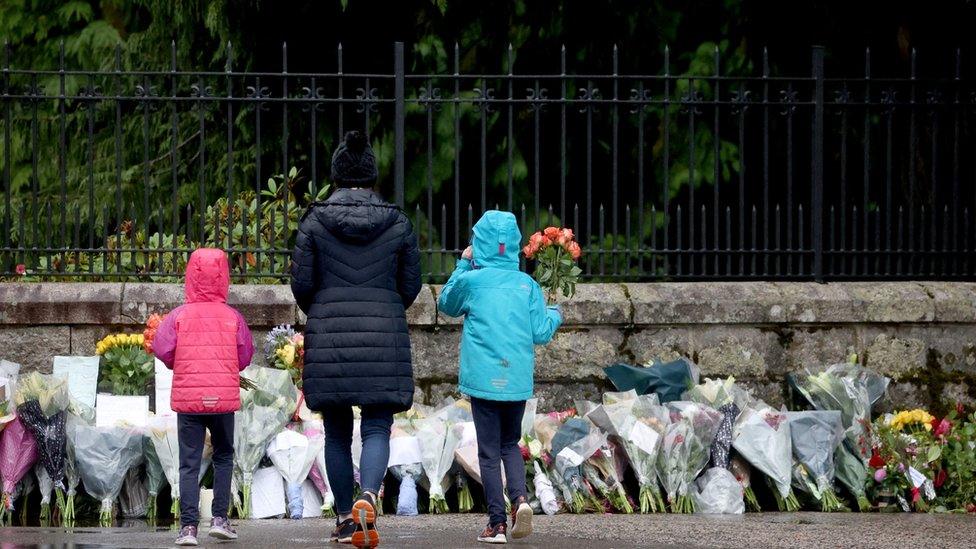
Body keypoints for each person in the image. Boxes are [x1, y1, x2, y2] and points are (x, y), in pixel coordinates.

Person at [291, 130, 422, 548]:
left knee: (335, 430)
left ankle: (347, 515)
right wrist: (384, 305)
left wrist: (324, 308)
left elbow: (302, 284)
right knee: (378, 426)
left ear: (336, 175)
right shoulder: (397, 222)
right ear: (371, 175)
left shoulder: (314, 221)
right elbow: (411, 285)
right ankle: (370, 495)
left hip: (331, 335)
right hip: (384, 336)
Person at [438, 210, 562, 544]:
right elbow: (540, 333)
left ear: (479, 243)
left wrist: (464, 263)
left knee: (489, 452)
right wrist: (556, 314)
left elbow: (446, 302)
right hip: (517, 381)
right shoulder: (528, 285)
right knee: (511, 444)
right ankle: (520, 499)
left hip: (483, 380)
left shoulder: (472, 281)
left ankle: (496, 524)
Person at [153, 248, 254, 547]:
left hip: (189, 399)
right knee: (223, 455)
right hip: (222, 398)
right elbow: (245, 355)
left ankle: (188, 528)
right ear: (224, 277)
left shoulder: (178, 316)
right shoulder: (232, 317)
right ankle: (220, 519)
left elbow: (163, 349)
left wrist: (180, 364)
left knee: (188, 461)